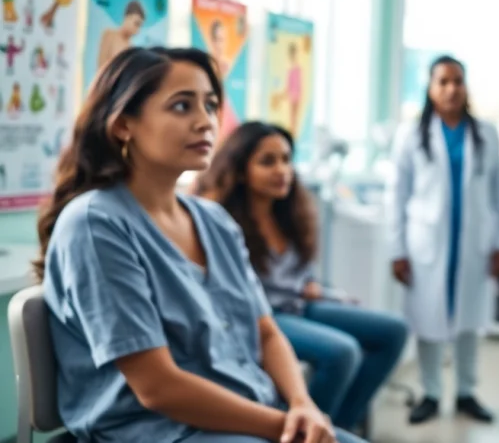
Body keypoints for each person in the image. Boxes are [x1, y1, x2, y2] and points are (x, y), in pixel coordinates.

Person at [36, 46, 365, 443]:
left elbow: (266, 333)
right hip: (162, 433)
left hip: (247, 417)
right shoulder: (96, 224)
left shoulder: (214, 220)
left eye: (210, 105)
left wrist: (302, 404)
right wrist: (283, 427)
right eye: (181, 106)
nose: (205, 122)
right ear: (124, 125)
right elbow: (158, 388)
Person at [195, 121, 409, 435]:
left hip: (298, 303)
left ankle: (341, 424)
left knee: (393, 329)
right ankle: (304, 432)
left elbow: (300, 276)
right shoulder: (221, 220)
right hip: (264, 316)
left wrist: (323, 292)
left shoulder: (291, 212)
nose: (282, 170)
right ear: (240, 170)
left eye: (286, 159)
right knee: (341, 352)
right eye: (268, 162)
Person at [386, 54, 499, 425]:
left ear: (465, 86)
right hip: (425, 244)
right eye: (443, 82)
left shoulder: (486, 133)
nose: (451, 89)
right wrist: (397, 249)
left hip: (473, 243)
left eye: (457, 81)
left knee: (469, 322)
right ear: (430, 88)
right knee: (428, 321)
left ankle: (466, 392)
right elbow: (397, 195)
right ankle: (430, 392)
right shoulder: (411, 135)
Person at [98, 0, 145, 69]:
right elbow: (100, 67)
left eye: (140, 26)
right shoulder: (109, 35)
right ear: (127, 17)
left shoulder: (131, 48)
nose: (137, 30)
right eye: (136, 24)